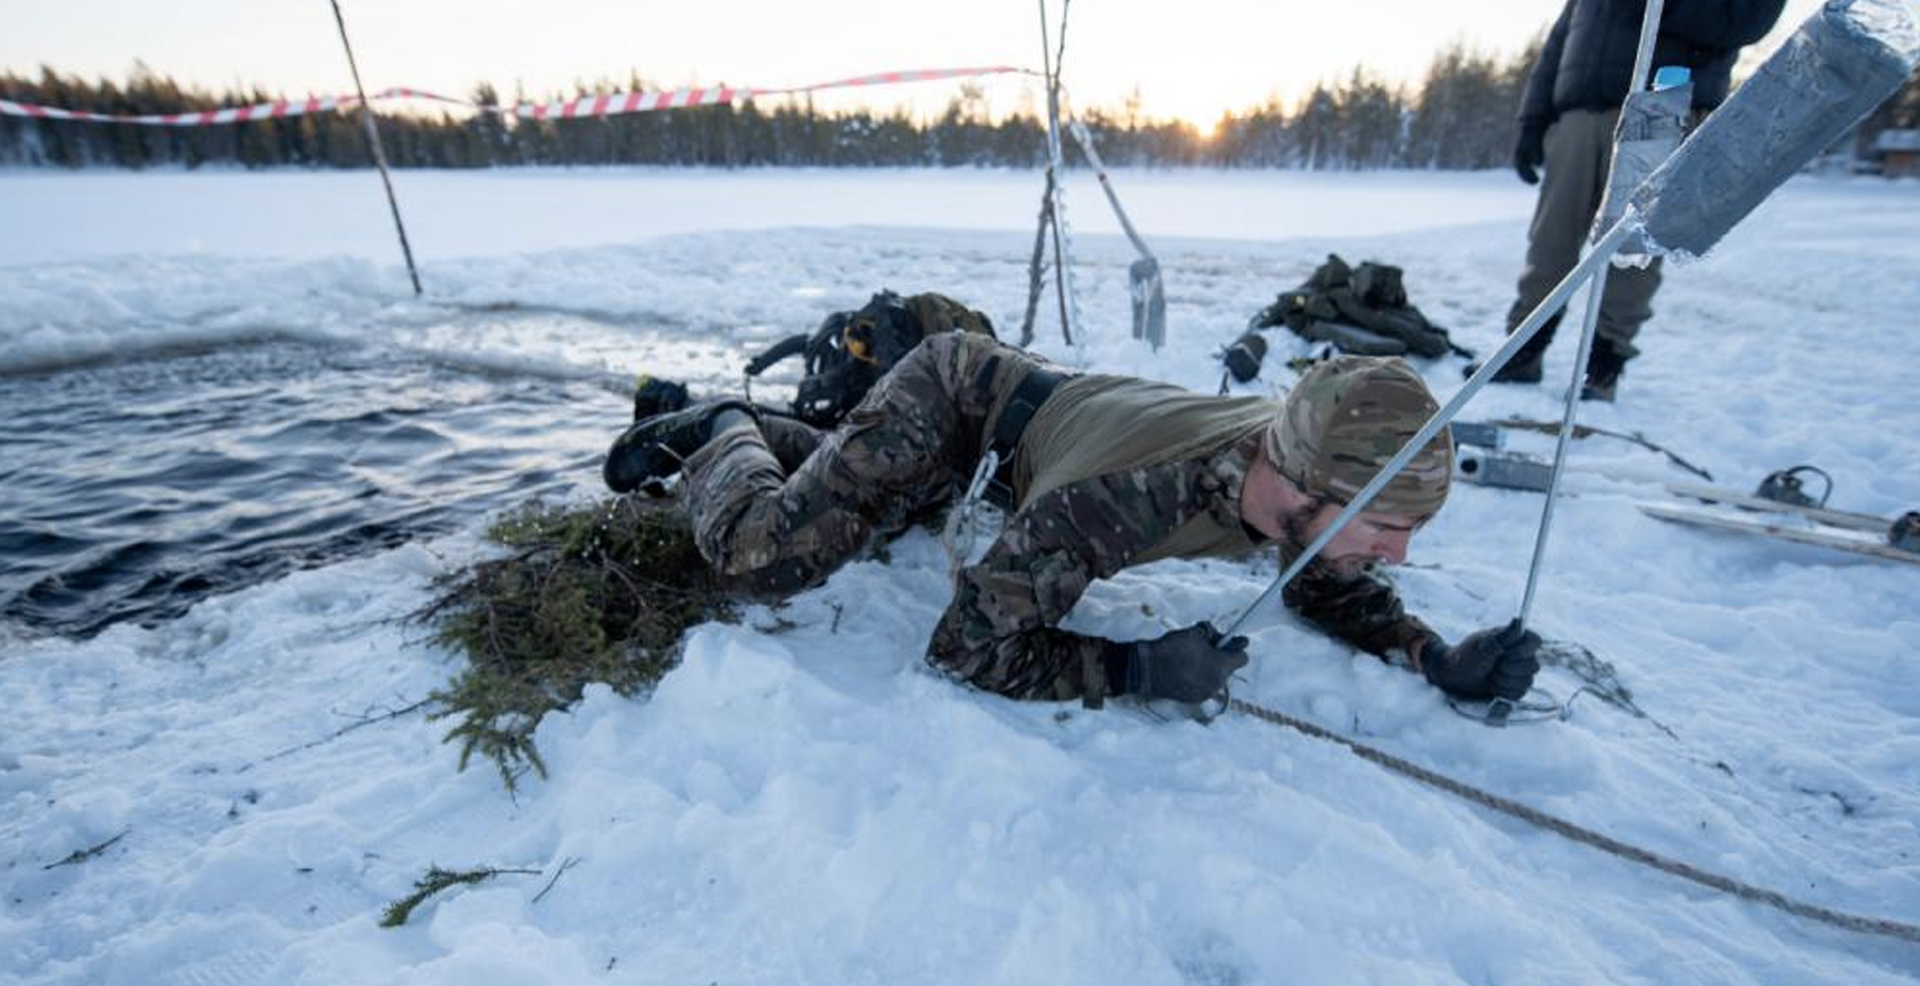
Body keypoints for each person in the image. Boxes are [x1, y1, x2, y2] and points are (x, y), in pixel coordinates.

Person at [605, 332, 1541, 708]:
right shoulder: (1125, 501)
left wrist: (1430, 654)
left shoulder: (1296, 469)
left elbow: (1330, 574)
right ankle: (726, 427)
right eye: (1386, 525)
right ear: (1305, 487)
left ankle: (823, 448)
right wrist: (1138, 669)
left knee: (882, 504)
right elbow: (967, 650)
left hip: (1020, 451)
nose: (1400, 553)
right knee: (761, 554)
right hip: (958, 402)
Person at [1492, 0, 1787, 400]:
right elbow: (1561, 40)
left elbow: (1748, 19)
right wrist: (1532, 120)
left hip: (1661, 109)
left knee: (1632, 252)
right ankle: (1521, 351)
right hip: (1578, 115)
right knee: (1550, 241)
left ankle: (1603, 366)